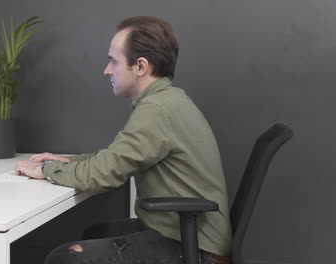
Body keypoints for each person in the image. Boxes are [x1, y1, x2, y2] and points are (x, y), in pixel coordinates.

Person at [15, 16, 232, 264]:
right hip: (188, 235)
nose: (106, 70)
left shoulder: (156, 111)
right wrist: (65, 160)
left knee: (65, 258)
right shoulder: (167, 101)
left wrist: (47, 169)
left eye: (113, 61)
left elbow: (100, 176)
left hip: (194, 247)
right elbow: (114, 158)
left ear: (140, 66)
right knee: (95, 233)